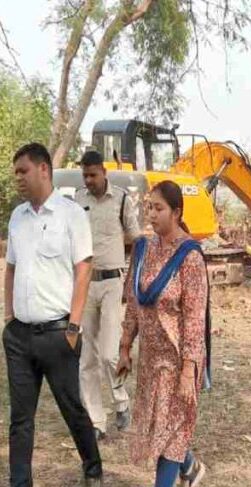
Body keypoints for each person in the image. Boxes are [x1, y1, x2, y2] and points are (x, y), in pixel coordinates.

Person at [0, 143, 103, 487]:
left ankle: (93, 470)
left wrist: (73, 328)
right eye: (16, 174)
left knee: (72, 409)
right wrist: (9, 318)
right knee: (20, 421)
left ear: (43, 169)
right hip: (20, 337)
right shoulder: (17, 217)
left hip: (58, 334)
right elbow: (10, 268)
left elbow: (84, 269)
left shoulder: (71, 214)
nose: (19, 179)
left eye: (23, 171)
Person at [117, 180, 209, 487]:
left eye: (157, 208)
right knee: (161, 427)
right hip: (150, 359)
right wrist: (125, 347)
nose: (150, 214)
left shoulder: (189, 257)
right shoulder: (142, 249)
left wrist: (189, 369)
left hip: (178, 360)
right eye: (148, 207)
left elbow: (194, 319)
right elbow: (133, 305)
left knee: (171, 427)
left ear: (176, 212)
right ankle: (191, 466)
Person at [75, 150, 141, 440]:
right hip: (85, 284)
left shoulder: (123, 199)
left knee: (109, 353)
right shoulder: (78, 200)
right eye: (84, 175)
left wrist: (133, 281)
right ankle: (96, 421)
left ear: (103, 172)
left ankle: (121, 402)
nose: (88, 180)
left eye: (92, 174)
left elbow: (136, 239)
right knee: (86, 357)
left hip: (113, 283)